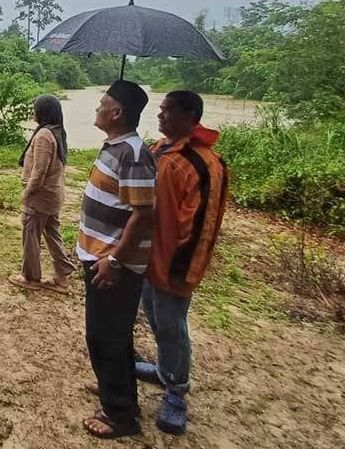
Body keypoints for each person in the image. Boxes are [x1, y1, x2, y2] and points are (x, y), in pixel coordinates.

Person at [138, 90, 228, 435]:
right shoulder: (160, 150)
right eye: (159, 110)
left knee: (173, 324)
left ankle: (177, 389)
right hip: (148, 255)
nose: (160, 116)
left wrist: (181, 271)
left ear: (189, 116)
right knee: (155, 317)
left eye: (167, 111)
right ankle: (163, 370)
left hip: (175, 263)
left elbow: (201, 225)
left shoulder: (203, 164)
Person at [77, 81, 156, 440]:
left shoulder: (134, 154)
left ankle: (120, 414)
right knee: (114, 335)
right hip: (98, 256)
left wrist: (116, 261)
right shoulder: (116, 146)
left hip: (111, 264)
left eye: (103, 102)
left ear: (117, 112)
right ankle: (118, 389)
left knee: (104, 337)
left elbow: (143, 215)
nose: (97, 107)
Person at [9, 94, 77, 293]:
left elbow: (39, 171)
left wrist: (28, 193)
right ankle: (62, 277)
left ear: (43, 111)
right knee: (53, 234)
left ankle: (31, 278)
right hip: (53, 195)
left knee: (30, 234)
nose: (33, 111)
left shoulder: (44, 135)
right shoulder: (56, 132)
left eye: (35, 108)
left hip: (41, 197)